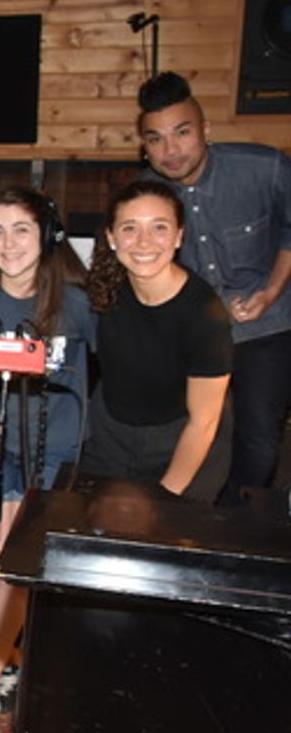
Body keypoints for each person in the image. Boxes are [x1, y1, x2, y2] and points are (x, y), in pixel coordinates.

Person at [0, 186, 95, 718]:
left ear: (47, 235)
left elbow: (104, 367)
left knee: (17, 567)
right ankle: (11, 659)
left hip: (50, 449)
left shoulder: (76, 301)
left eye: (22, 229)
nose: (8, 243)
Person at [136, 71, 290, 506]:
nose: (171, 150)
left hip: (268, 326)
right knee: (191, 430)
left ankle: (233, 522)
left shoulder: (264, 167)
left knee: (258, 436)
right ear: (145, 147)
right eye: (156, 139)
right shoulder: (147, 196)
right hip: (194, 334)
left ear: (206, 129)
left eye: (182, 133)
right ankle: (178, 520)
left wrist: (271, 292)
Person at [83, 180, 233, 498]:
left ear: (179, 236)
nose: (144, 242)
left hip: (184, 436)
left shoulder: (204, 312)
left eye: (159, 227)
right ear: (111, 237)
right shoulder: (104, 288)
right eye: (130, 228)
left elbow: (203, 423)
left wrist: (168, 494)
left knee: (162, 535)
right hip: (112, 434)